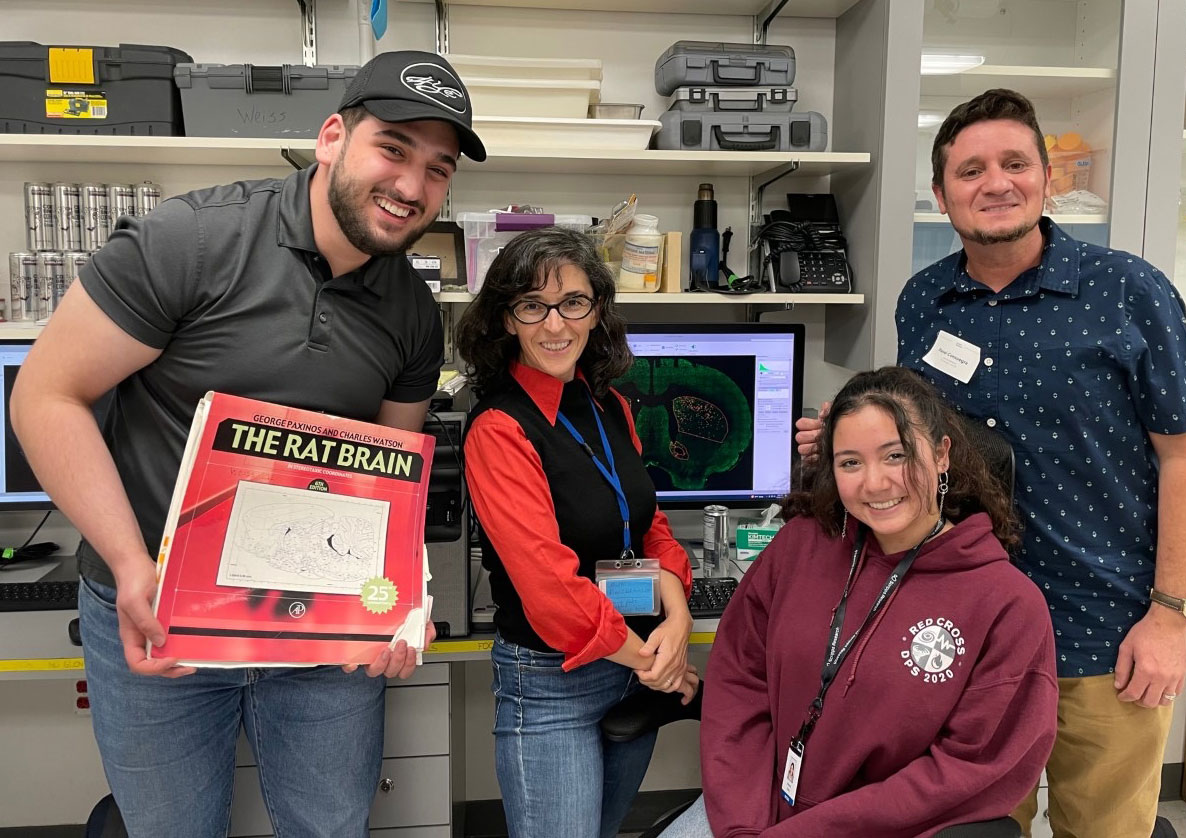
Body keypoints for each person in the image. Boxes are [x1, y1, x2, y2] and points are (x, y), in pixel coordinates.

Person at [10, 50, 486, 838]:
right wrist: (131, 567)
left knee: (331, 825)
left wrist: (401, 603)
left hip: (317, 617)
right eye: (393, 149)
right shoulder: (190, 242)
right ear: (333, 135)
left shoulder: (409, 305)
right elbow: (46, 397)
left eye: (438, 170)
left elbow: (386, 486)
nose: (411, 187)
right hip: (163, 605)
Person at [797, 89, 1186, 836]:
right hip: (962, 632)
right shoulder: (925, 299)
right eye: (969, 171)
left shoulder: (1127, 291)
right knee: (974, 828)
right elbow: (923, 436)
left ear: (1046, 179)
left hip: (1101, 633)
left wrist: (1168, 617)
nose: (994, 183)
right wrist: (855, 436)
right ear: (941, 194)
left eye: (1014, 163)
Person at [661, 366, 1057, 838]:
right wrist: (744, 823)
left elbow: (968, 772)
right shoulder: (799, 547)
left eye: (896, 456)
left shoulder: (1007, 606)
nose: (874, 483)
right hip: (755, 809)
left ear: (942, 454)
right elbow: (738, 681)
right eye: (850, 462)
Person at [457, 227, 695, 838]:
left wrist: (678, 620)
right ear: (506, 319)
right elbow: (549, 589)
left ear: (597, 311)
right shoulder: (499, 429)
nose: (555, 324)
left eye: (573, 303)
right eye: (532, 305)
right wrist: (657, 664)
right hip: (551, 684)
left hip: (629, 669)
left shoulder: (608, 404)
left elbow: (651, 525)